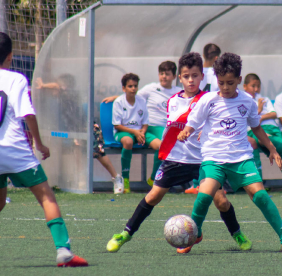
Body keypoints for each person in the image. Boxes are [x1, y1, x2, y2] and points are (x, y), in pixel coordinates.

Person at [106, 52, 252, 254]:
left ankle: (237, 234)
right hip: (176, 159)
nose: (191, 80)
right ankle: (125, 233)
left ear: (202, 76)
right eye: (186, 76)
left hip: (203, 161)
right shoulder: (173, 101)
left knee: (221, 201)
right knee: (153, 196)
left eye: (195, 75)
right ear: (180, 78)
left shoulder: (210, 99)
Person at [177, 53, 282, 253]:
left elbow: (257, 127)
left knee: (260, 196)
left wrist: (271, 148)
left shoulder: (248, 101)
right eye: (221, 82)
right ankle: (194, 235)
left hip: (241, 158)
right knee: (204, 196)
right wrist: (186, 132)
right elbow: (194, 122)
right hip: (213, 159)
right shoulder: (208, 100)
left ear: (239, 81)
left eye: (230, 83)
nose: (225, 87)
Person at [0, 32, 88, 267]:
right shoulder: (16, 79)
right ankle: (64, 252)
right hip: (15, 150)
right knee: (47, 197)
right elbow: (26, 113)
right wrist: (39, 143)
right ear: (10, 57)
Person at [36, 78, 124, 194]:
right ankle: (80, 180)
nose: (53, 91)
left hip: (88, 128)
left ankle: (116, 177)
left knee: (98, 152)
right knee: (77, 149)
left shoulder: (68, 94)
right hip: (75, 130)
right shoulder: (58, 100)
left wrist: (43, 85)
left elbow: (56, 86)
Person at [103, 61, 181, 187]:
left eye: (167, 74)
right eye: (161, 74)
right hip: (151, 126)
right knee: (165, 144)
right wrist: (115, 97)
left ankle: (159, 178)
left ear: (174, 76)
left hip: (162, 128)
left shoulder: (178, 91)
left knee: (171, 144)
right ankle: (128, 180)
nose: (164, 77)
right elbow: (131, 95)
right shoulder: (151, 88)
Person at [243, 73, 282, 193]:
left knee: (279, 154)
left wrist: (262, 117)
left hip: (273, 128)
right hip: (256, 131)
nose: (256, 89)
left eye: (258, 86)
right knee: (265, 140)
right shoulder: (243, 100)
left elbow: (274, 113)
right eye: (253, 86)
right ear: (245, 86)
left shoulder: (264, 98)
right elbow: (246, 119)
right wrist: (259, 111)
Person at [112, 73, 161, 193]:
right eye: (130, 86)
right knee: (128, 141)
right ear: (124, 88)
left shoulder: (141, 100)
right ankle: (126, 179)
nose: (133, 89)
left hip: (140, 132)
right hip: (122, 132)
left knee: (161, 146)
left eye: (135, 86)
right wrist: (135, 132)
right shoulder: (118, 102)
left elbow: (145, 122)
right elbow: (117, 125)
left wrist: (142, 133)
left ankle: (153, 178)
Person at [185, 43, 222, 194]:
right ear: (217, 57)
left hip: (193, 112)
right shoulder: (217, 74)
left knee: (196, 147)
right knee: (209, 149)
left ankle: (197, 183)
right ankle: (211, 183)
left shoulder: (196, 71)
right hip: (209, 115)